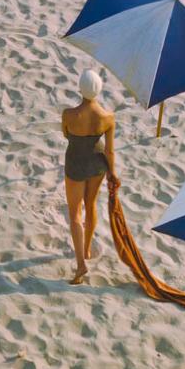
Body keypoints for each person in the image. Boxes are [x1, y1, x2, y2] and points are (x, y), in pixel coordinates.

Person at [62, 68, 116, 284]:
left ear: (80, 89)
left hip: (75, 161)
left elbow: (66, 134)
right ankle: (86, 250)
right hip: (98, 163)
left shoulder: (69, 114)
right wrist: (113, 173)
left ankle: (81, 265)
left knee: (75, 213)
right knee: (91, 204)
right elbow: (110, 151)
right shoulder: (108, 117)